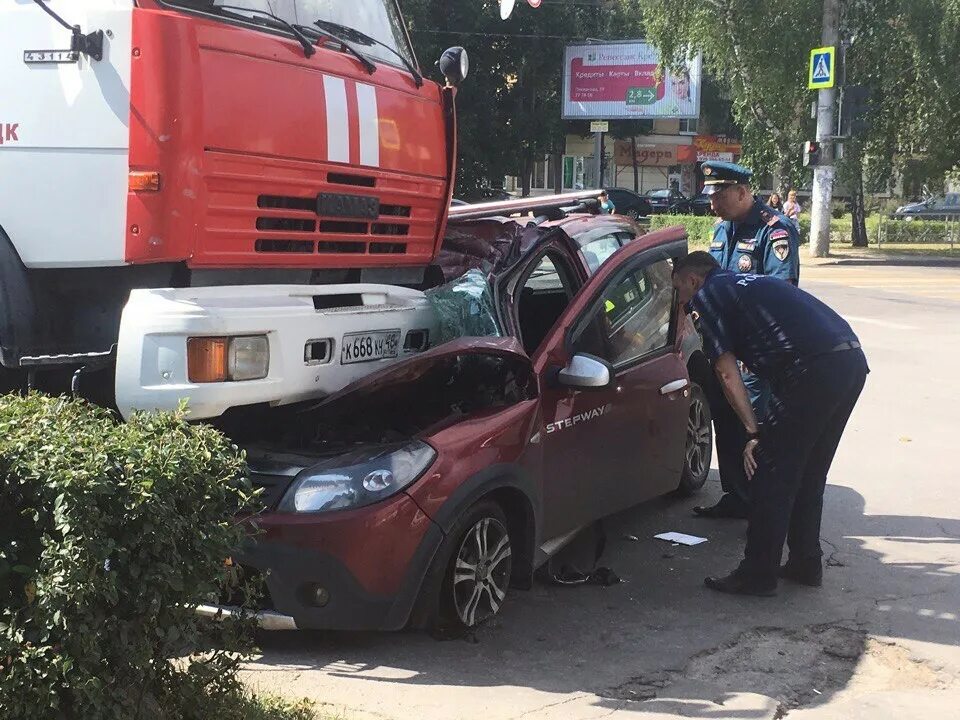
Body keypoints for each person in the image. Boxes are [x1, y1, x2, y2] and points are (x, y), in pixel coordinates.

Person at [672, 252, 868, 596]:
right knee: (809, 471)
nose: (683, 303)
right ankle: (806, 562)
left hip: (812, 370)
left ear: (691, 280)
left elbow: (726, 373)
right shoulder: (743, 283)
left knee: (770, 472)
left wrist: (753, 431)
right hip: (849, 361)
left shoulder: (708, 297)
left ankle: (757, 573)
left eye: (680, 291)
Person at [692, 161, 800, 520]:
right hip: (724, 348)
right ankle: (737, 495)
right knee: (726, 422)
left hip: (753, 353)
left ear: (742, 192)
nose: (713, 204)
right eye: (710, 196)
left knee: (754, 425)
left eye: (719, 195)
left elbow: (780, 295)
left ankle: (762, 504)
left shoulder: (775, 230)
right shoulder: (722, 229)